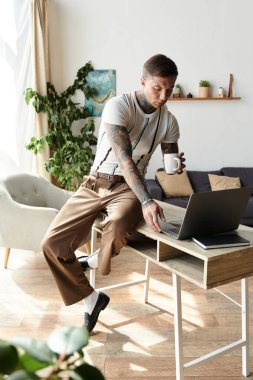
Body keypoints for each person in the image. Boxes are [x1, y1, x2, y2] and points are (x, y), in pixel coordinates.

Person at [42, 54, 185, 334]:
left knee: (119, 224)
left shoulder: (170, 122)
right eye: (158, 87)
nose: (164, 95)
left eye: (170, 89)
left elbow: (170, 163)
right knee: (51, 244)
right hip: (95, 183)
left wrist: (178, 167)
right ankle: (91, 299)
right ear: (142, 81)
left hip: (127, 188)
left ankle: (92, 261)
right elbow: (124, 158)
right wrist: (147, 201)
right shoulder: (117, 106)